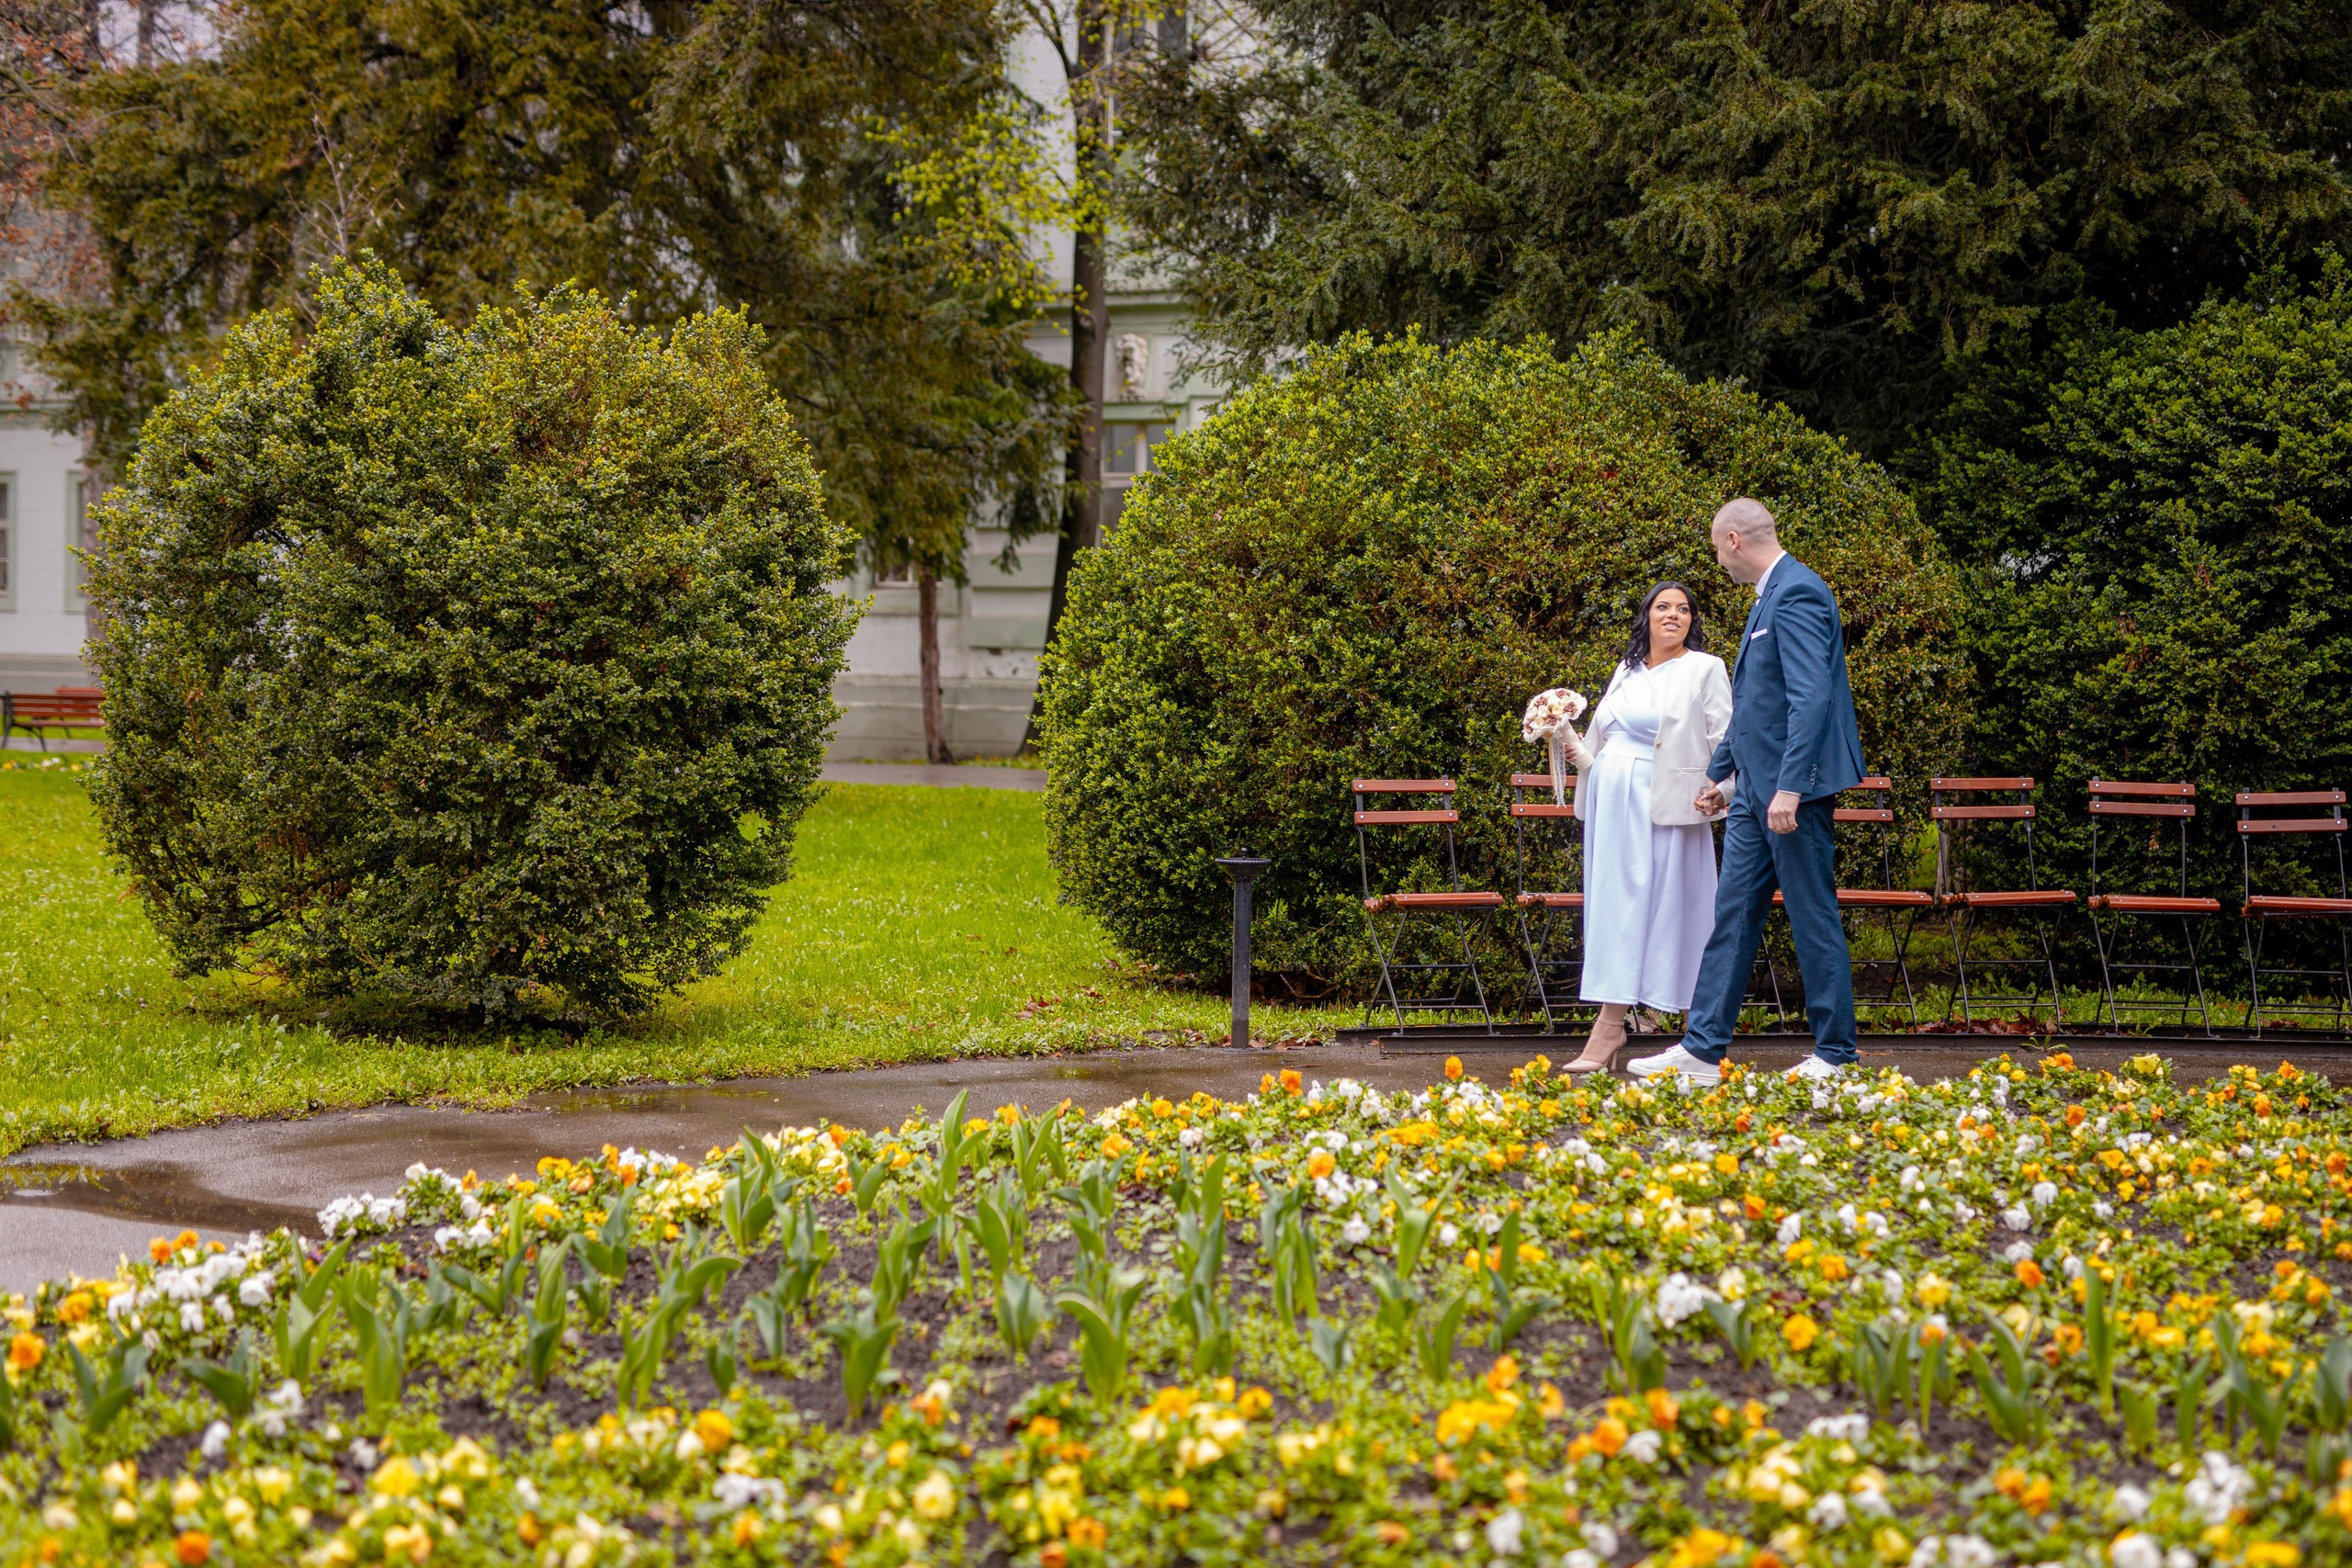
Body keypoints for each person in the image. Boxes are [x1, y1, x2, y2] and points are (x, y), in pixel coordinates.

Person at [1627, 498, 1867, 1086]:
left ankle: (1837, 1055)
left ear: (1733, 539)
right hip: (1752, 792)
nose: (1716, 559)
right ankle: (1703, 1050)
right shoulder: (1770, 594)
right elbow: (1757, 702)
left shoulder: (1799, 591)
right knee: (1731, 915)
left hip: (1792, 795)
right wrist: (1719, 773)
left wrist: (1789, 788)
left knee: (1813, 915)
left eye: (1715, 548)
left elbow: (1811, 699)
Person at [1555, 582, 1733, 1073]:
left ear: (1692, 621)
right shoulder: (1626, 669)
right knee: (1617, 908)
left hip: (1668, 804)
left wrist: (1725, 788)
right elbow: (1602, 736)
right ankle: (1610, 1025)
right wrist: (1564, 738)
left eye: (1683, 609)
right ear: (1647, 616)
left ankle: (1701, 1037)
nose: (1673, 615)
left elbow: (1725, 737)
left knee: (1675, 905)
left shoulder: (1705, 668)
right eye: (1663, 607)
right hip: (1614, 806)